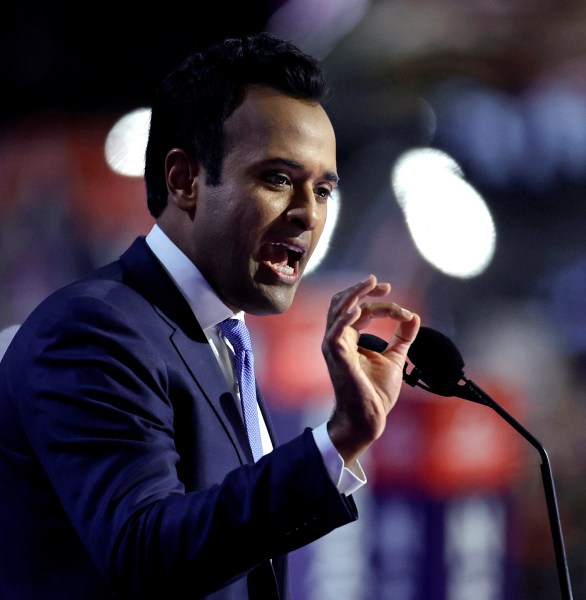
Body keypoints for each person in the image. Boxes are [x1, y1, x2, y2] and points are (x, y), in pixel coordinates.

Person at [0, 32, 420, 599]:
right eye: (277, 179)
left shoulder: (222, 340)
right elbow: (146, 553)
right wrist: (336, 441)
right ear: (185, 180)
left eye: (323, 190)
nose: (308, 215)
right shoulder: (92, 330)